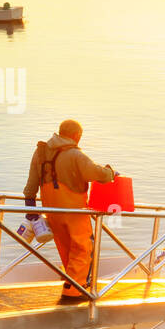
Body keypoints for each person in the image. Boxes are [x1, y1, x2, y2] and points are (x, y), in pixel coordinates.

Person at [23, 119, 116, 301]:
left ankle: (70, 284)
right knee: (83, 249)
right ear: (76, 136)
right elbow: (94, 173)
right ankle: (75, 292)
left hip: (51, 211)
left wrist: (31, 210)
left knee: (66, 250)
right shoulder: (75, 154)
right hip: (75, 211)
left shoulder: (41, 152)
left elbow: (31, 183)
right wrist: (110, 173)